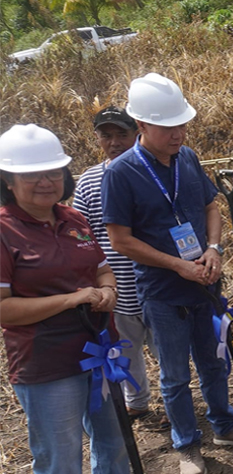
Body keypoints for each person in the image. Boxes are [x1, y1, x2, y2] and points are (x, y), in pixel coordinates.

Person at [103, 73, 233, 474]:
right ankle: (186, 443)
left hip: (205, 281)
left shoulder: (187, 158)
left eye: (182, 124)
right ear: (142, 126)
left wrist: (214, 249)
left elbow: (211, 206)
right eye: (169, 127)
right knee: (176, 375)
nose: (179, 133)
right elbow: (121, 239)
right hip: (163, 292)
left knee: (214, 361)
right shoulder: (122, 172)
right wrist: (177, 264)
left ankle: (224, 423)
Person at [0, 124, 132, 474]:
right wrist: (71, 299)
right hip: (45, 361)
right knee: (60, 454)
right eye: (33, 175)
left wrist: (107, 288)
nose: (45, 182)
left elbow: (100, 268)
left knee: (113, 439)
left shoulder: (72, 218)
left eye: (53, 172)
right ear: (8, 180)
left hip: (98, 351)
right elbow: (4, 308)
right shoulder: (4, 231)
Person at [73, 106, 168, 431]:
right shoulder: (88, 182)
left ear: (137, 132)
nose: (114, 142)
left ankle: (174, 404)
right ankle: (137, 404)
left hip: (159, 282)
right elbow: (79, 235)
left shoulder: (156, 170)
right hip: (117, 287)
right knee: (126, 350)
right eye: (106, 135)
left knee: (167, 351)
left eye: (121, 134)